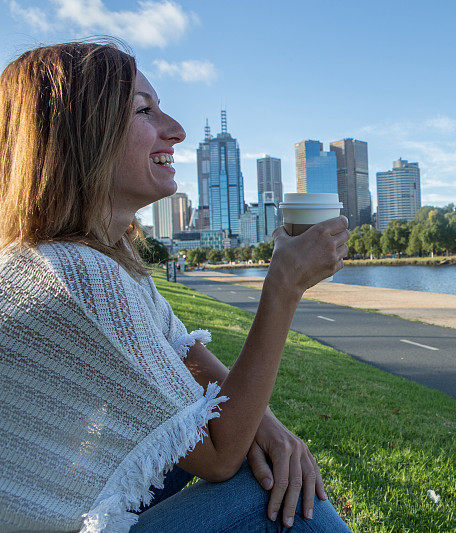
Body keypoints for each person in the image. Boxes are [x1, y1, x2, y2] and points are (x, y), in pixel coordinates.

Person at [0, 40, 351, 532]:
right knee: (261, 497)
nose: (177, 131)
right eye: (145, 110)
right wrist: (283, 285)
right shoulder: (76, 274)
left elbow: (187, 360)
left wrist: (271, 429)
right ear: (81, 136)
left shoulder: (104, 262)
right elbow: (219, 454)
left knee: (242, 451)